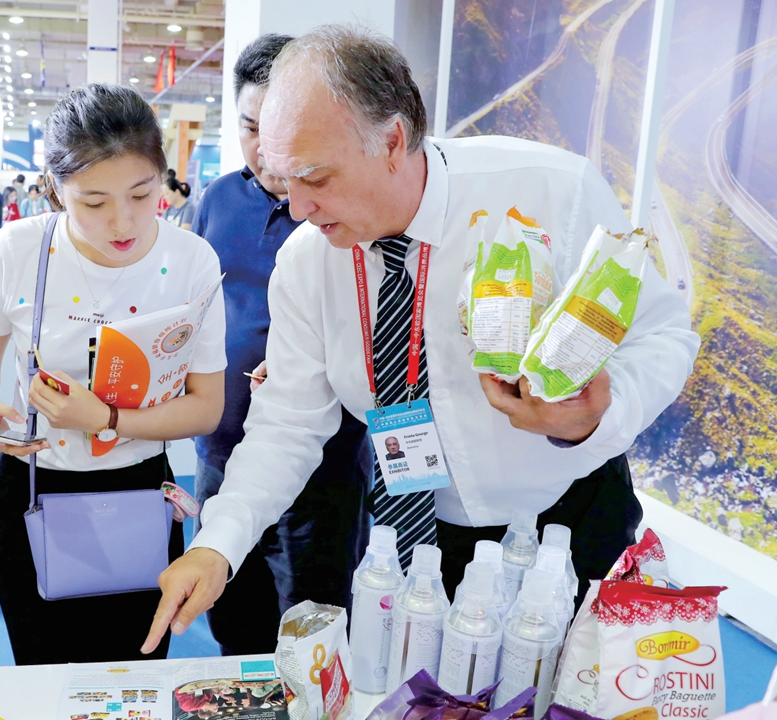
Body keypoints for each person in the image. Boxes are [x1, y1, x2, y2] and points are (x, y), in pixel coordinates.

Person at [141, 25, 698, 654]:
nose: (296, 208)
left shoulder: (548, 192)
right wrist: (218, 544)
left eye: (315, 178)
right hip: (418, 544)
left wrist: (599, 413)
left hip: (568, 524)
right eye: (281, 179)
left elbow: (662, 335)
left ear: (391, 142)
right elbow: (288, 423)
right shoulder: (308, 262)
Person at [0, 82, 226, 665]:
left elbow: (206, 406)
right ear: (55, 190)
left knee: (134, 675)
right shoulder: (19, 249)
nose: (121, 220)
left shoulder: (191, 262)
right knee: (41, 672)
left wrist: (104, 418)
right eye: (93, 201)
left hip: (137, 493)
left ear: (164, 176)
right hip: (33, 490)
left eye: (141, 193)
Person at [187, 33, 373, 657]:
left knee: (312, 627)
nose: (269, 152)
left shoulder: (348, 209)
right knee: (232, 618)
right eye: (250, 128)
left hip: (320, 465)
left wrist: (307, 365)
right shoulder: (216, 202)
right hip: (221, 450)